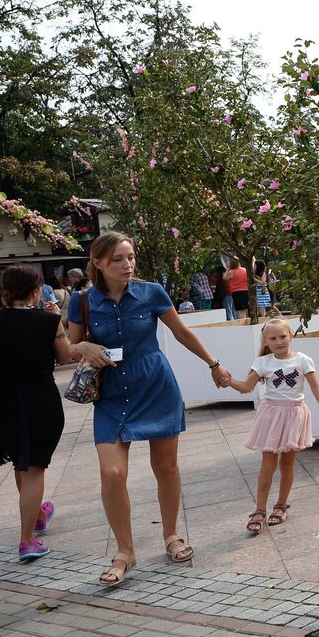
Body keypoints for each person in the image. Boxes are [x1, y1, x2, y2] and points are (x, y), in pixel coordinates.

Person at [67, 232, 233, 586]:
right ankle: (125, 551)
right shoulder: (81, 301)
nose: (127, 265)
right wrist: (83, 345)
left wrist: (213, 364)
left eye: (130, 257)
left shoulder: (152, 291)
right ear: (97, 263)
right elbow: (69, 347)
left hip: (155, 385)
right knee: (112, 474)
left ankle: (171, 535)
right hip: (111, 394)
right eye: (117, 260)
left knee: (167, 467)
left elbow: (181, 332)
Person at [0, 266, 79, 560]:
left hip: (3, 401)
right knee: (35, 467)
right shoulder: (49, 321)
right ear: (37, 291)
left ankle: (37, 514)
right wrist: (58, 324)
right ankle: (27, 541)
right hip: (40, 400)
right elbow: (65, 358)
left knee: (21, 463)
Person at [226, 319, 319, 533]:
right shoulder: (262, 362)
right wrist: (228, 381)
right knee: (268, 463)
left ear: (290, 336)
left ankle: (281, 505)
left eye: (282, 336)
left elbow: (315, 386)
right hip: (271, 416)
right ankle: (259, 509)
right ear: (266, 341)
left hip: (294, 415)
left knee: (286, 464)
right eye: (272, 338)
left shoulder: (303, 360)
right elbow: (246, 387)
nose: (278, 341)